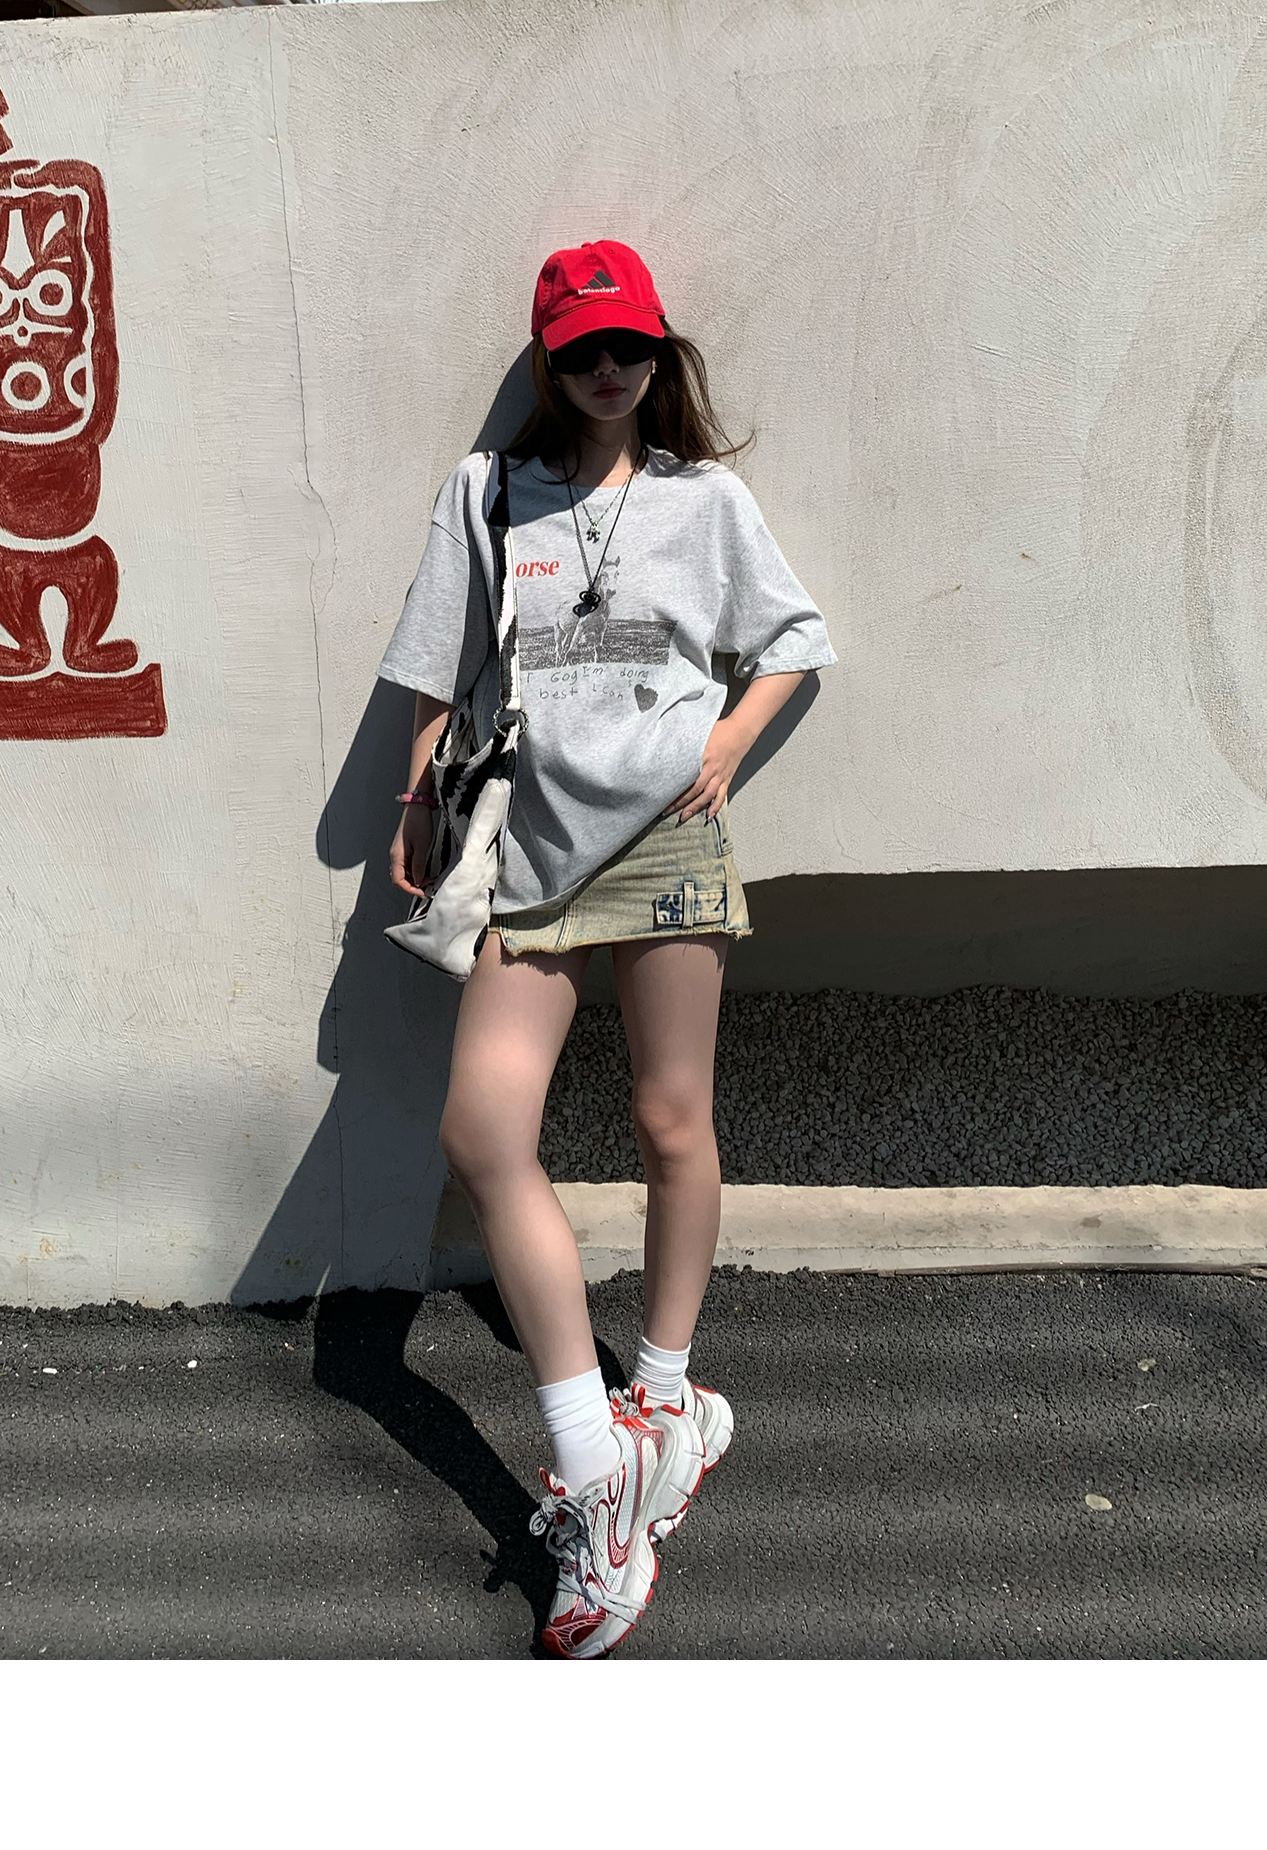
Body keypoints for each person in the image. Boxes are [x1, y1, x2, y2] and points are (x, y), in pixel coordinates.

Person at [376, 239, 837, 1657]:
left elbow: (796, 637)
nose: (610, 370)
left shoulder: (705, 498)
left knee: (670, 1116)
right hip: (533, 848)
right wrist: (416, 799)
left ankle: (666, 1395)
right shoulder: (490, 491)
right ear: (548, 360)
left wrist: (727, 744)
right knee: (482, 1130)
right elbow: (443, 666)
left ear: (660, 352)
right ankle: (600, 1463)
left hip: (668, 840)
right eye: (582, 350)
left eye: (630, 345)